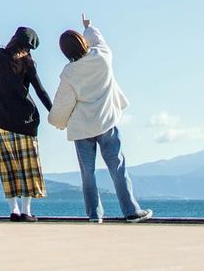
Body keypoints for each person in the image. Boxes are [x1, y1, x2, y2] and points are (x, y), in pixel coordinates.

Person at [48, 14, 153, 224]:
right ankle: (131, 210)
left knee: (88, 174)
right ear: (83, 42)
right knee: (118, 167)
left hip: (81, 129)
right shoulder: (103, 56)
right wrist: (88, 27)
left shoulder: (69, 73)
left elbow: (62, 104)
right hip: (106, 123)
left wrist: (57, 122)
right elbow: (98, 40)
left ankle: (95, 215)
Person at [0, 19, 53, 222]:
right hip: (25, 122)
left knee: (8, 167)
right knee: (28, 167)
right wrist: (54, 113)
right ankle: (27, 211)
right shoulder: (28, 63)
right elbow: (40, 91)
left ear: (13, 39)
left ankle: (14, 210)